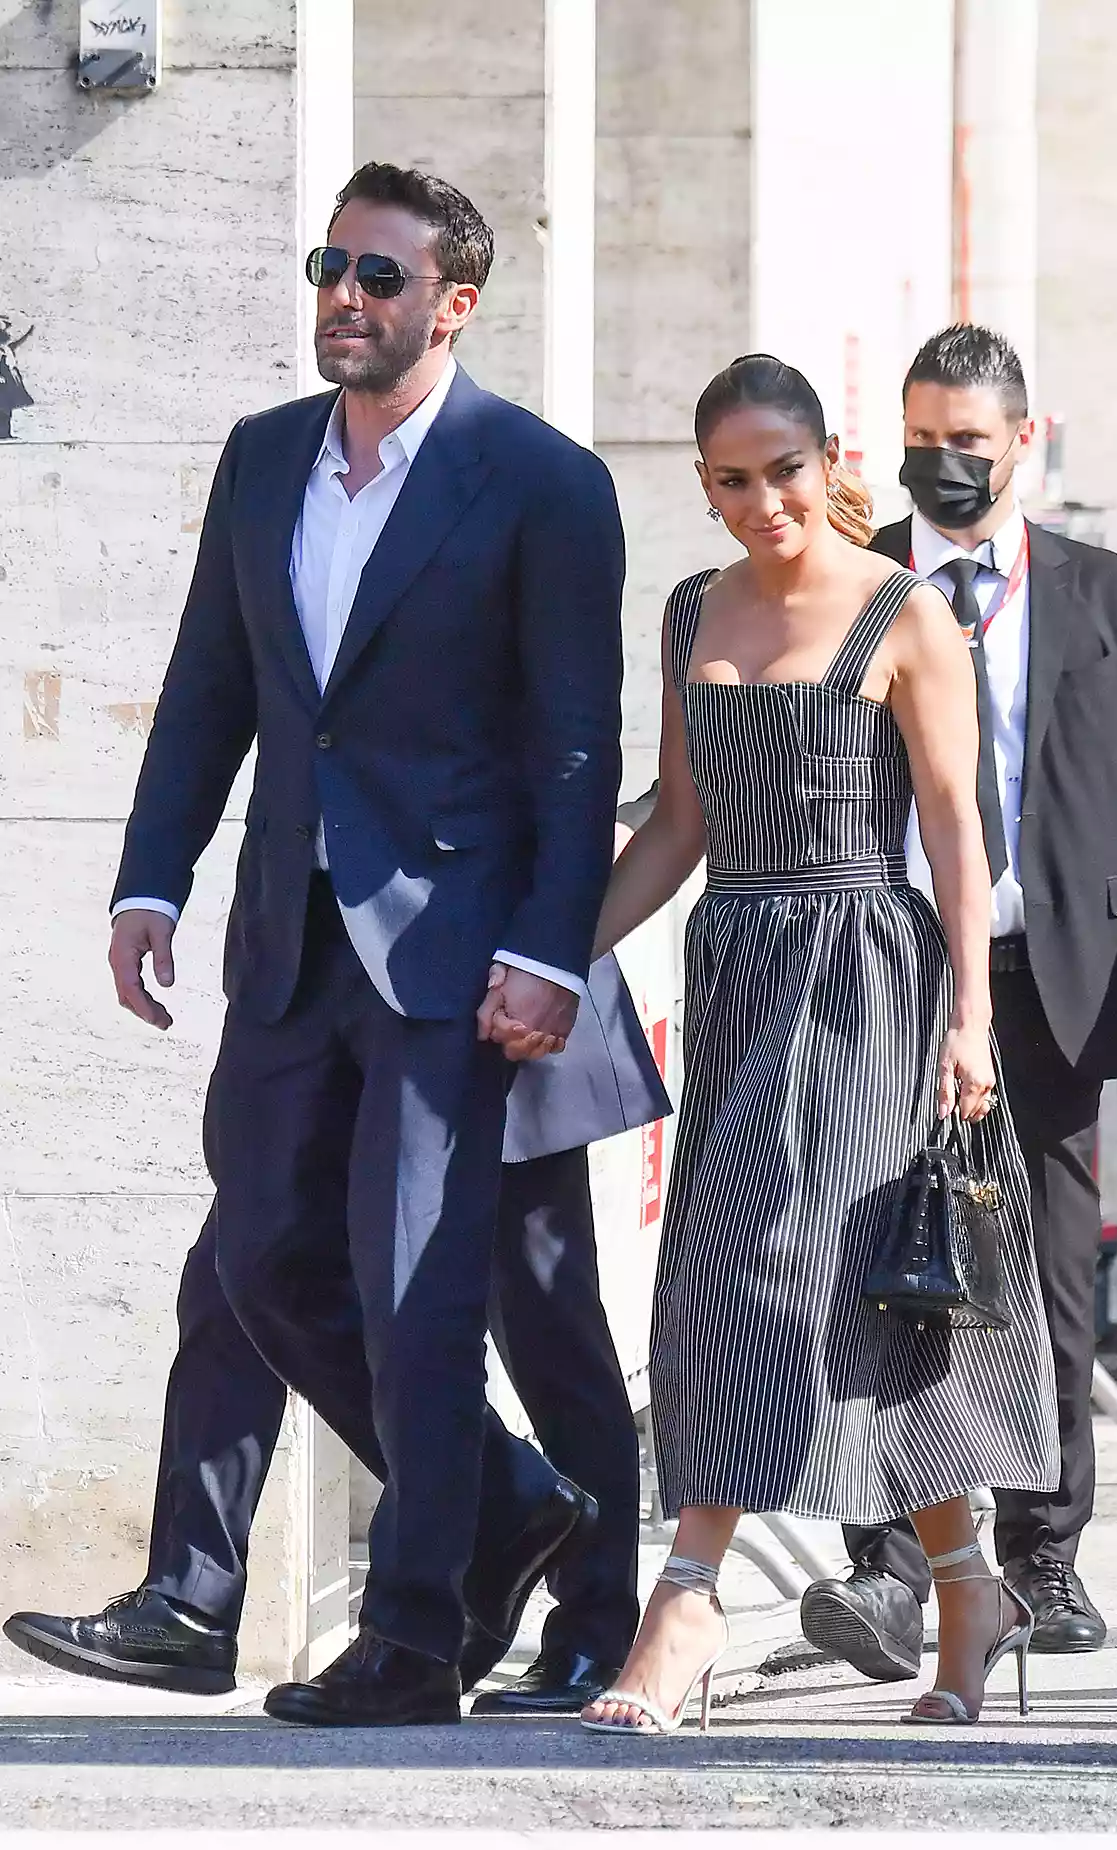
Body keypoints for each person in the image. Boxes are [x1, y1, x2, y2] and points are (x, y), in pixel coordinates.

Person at [98, 163, 625, 1727]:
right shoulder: (263, 460)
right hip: (288, 935)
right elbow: (211, 686)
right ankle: (505, 1497)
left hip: (456, 950)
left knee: (419, 1290)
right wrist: (151, 881)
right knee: (260, 1252)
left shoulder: (540, 479)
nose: (346, 293)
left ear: (453, 304)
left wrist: (548, 947)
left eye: (380, 276)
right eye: (332, 263)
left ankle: (411, 1640)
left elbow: (576, 748)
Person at [578, 352, 1059, 1734]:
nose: (761, 501)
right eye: (730, 480)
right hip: (736, 964)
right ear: (705, 484)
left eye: (783, 469)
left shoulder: (907, 614)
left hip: (868, 978)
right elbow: (676, 824)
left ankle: (686, 1599)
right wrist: (562, 960)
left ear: (829, 455)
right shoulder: (690, 612)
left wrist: (971, 1015)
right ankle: (966, 1580)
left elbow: (962, 829)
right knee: (760, 1278)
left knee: (807, 1274)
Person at [798, 323, 1117, 1677]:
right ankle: (889, 1563)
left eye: (970, 441)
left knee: (1044, 1258)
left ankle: (1042, 1555)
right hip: (882, 965)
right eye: (925, 440)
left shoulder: (1113, 595)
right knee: (871, 1246)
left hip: (1048, 977)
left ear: (1023, 439)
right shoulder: (853, 587)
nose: (947, 463)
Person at [5, 951, 670, 1716]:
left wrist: (544, 957)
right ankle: (193, 1598)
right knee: (239, 1275)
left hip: (501, 995)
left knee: (543, 1319)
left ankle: (591, 1629)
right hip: (345, 1008)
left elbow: (577, 836)